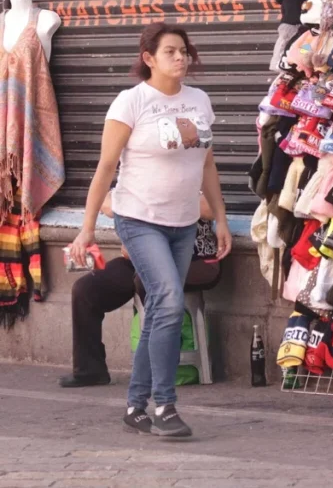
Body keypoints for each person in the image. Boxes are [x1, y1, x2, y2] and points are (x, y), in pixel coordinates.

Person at [68, 22, 232, 439]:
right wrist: (86, 228)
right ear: (149, 59)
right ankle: (165, 405)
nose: (181, 58)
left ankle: (135, 406)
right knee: (169, 300)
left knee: (160, 309)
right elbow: (106, 168)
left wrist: (219, 218)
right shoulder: (131, 102)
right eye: (171, 52)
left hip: (183, 222)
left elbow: (207, 165)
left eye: (184, 51)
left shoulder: (199, 100)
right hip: (139, 218)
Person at [60, 192, 221, 389]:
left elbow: (212, 208)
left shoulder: (189, 175)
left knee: (149, 281)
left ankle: (162, 361)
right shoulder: (138, 178)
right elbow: (106, 200)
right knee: (86, 289)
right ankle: (90, 370)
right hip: (139, 262)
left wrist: (150, 204)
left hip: (195, 263)